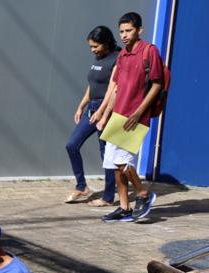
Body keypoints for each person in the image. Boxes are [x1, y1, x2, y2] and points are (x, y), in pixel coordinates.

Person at [95, 12, 163, 223]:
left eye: (129, 30)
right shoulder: (122, 55)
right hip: (118, 117)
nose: (124, 35)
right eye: (122, 31)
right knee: (115, 165)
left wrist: (139, 112)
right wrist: (105, 115)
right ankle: (124, 208)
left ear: (139, 30)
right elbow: (116, 89)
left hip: (135, 117)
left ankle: (143, 194)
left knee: (124, 162)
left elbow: (157, 83)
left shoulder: (149, 51)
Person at [64, 26, 118, 207]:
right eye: (91, 47)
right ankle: (82, 186)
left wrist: (102, 112)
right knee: (72, 145)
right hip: (92, 108)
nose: (92, 50)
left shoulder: (116, 58)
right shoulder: (98, 58)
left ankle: (109, 196)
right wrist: (81, 106)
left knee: (107, 154)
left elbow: (113, 89)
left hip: (107, 109)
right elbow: (92, 85)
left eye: (95, 46)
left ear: (106, 42)